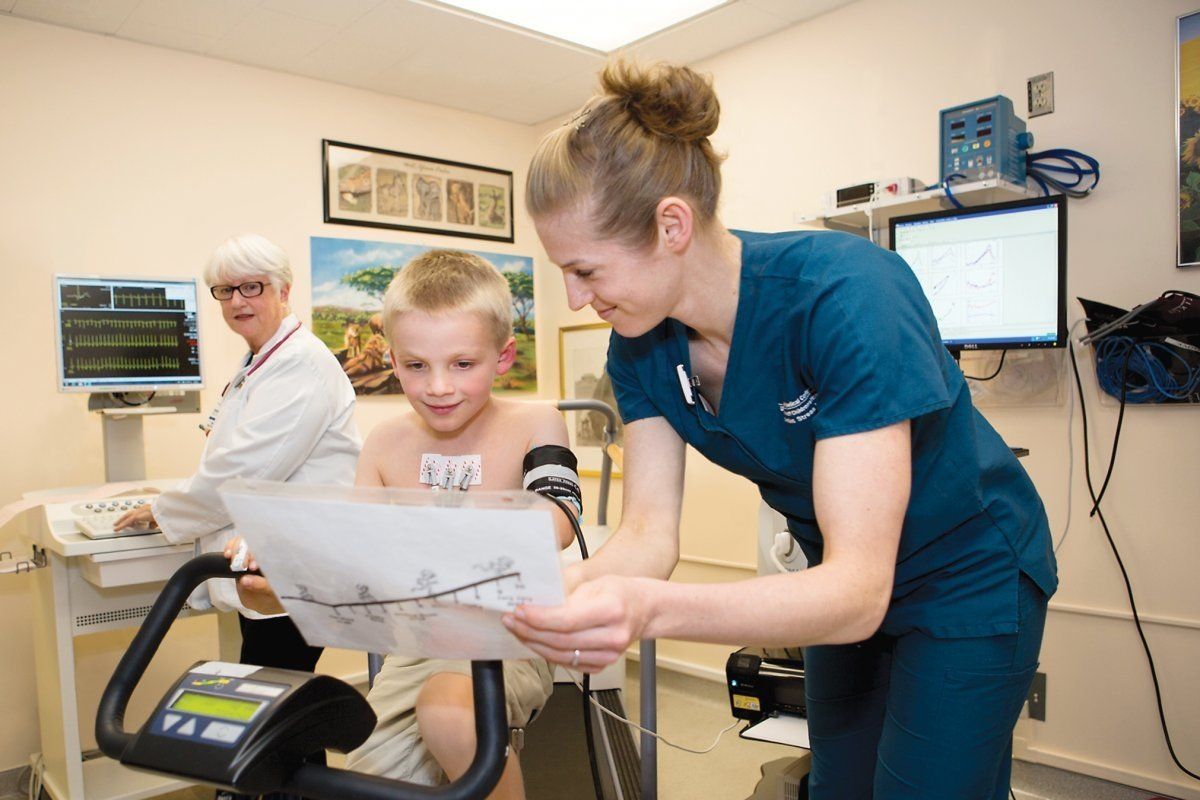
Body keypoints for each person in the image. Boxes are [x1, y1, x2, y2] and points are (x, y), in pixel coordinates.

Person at [505, 62, 1058, 800]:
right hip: (835, 579)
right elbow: (647, 538)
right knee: (837, 787)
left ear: (671, 225)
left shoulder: (848, 294)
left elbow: (860, 591)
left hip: (965, 572)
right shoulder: (639, 345)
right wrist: (534, 593)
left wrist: (647, 609)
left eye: (586, 270)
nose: (575, 297)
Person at [234, 249, 580, 799]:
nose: (439, 386)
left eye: (462, 364)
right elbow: (352, 565)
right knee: (363, 786)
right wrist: (280, 570)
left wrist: (418, 547)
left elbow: (556, 520)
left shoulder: (535, 422)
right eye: (417, 366)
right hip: (414, 647)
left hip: (507, 638)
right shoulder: (385, 444)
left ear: (504, 356)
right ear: (392, 361)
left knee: (447, 710)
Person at [113, 233, 360, 799]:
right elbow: (233, 460)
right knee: (280, 707)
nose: (237, 301)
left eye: (251, 287)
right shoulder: (261, 362)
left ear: (283, 290)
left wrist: (161, 510)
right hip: (265, 558)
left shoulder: (302, 365)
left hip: (297, 560)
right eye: (224, 290)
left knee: (274, 710)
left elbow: (242, 471)